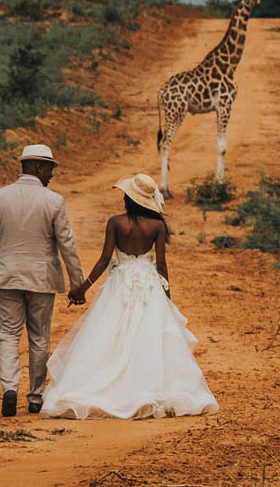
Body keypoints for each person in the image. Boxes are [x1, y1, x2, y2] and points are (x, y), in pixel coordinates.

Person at [40, 173, 218, 419]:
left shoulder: (115, 222)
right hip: (148, 285)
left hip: (119, 282)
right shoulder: (157, 226)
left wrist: (83, 288)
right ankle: (146, 383)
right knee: (149, 335)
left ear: (129, 199)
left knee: (109, 333)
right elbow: (162, 265)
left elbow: (104, 260)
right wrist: (167, 297)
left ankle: (102, 386)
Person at [0, 143, 86, 417]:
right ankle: (36, 396)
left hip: (5, 277)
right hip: (41, 278)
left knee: (8, 334)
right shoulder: (53, 201)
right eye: (50, 167)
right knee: (39, 337)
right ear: (38, 166)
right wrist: (78, 282)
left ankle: (9, 389)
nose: (52, 173)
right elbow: (67, 244)